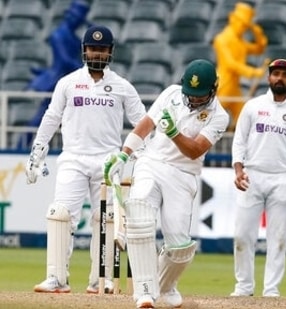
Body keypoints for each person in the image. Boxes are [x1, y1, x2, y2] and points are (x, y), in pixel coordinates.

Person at [26, 25, 147, 294]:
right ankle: (56, 279)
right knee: (60, 214)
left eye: (102, 49)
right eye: (93, 48)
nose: (97, 53)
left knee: (106, 218)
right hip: (73, 158)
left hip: (109, 161)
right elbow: (51, 117)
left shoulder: (122, 86)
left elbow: (142, 123)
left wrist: (144, 156)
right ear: (84, 50)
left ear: (110, 52)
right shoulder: (68, 83)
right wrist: (38, 150)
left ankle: (100, 280)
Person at [103, 59, 229, 308]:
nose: (192, 100)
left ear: (213, 89)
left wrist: (173, 133)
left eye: (199, 95)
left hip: (183, 174)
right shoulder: (172, 93)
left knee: (180, 247)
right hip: (151, 162)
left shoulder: (219, 116)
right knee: (139, 216)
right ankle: (145, 292)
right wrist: (124, 154)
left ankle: (166, 286)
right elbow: (145, 125)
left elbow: (194, 151)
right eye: (190, 94)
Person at [230, 58, 286, 297]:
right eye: (275, 74)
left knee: (278, 238)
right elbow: (239, 140)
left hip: (281, 178)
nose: (279, 78)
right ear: (269, 78)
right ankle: (244, 287)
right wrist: (238, 169)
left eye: (285, 75)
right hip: (251, 176)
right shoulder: (253, 106)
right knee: (242, 235)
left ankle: (271, 290)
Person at [20, 0, 92, 149]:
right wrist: (87, 70)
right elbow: (65, 61)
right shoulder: (58, 35)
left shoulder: (74, 38)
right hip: (56, 82)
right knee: (43, 117)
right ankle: (21, 145)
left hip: (70, 83)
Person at [213, 1, 268, 131]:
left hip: (235, 87)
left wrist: (257, 32)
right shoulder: (221, 39)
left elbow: (259, 49)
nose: (242, 27)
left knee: (242, 117)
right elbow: (231, 64)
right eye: (241, 23)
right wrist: (254, 72)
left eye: (245, 25)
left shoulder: (241, 42)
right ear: (232, 19)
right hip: (223, 85)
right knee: (213, 118)